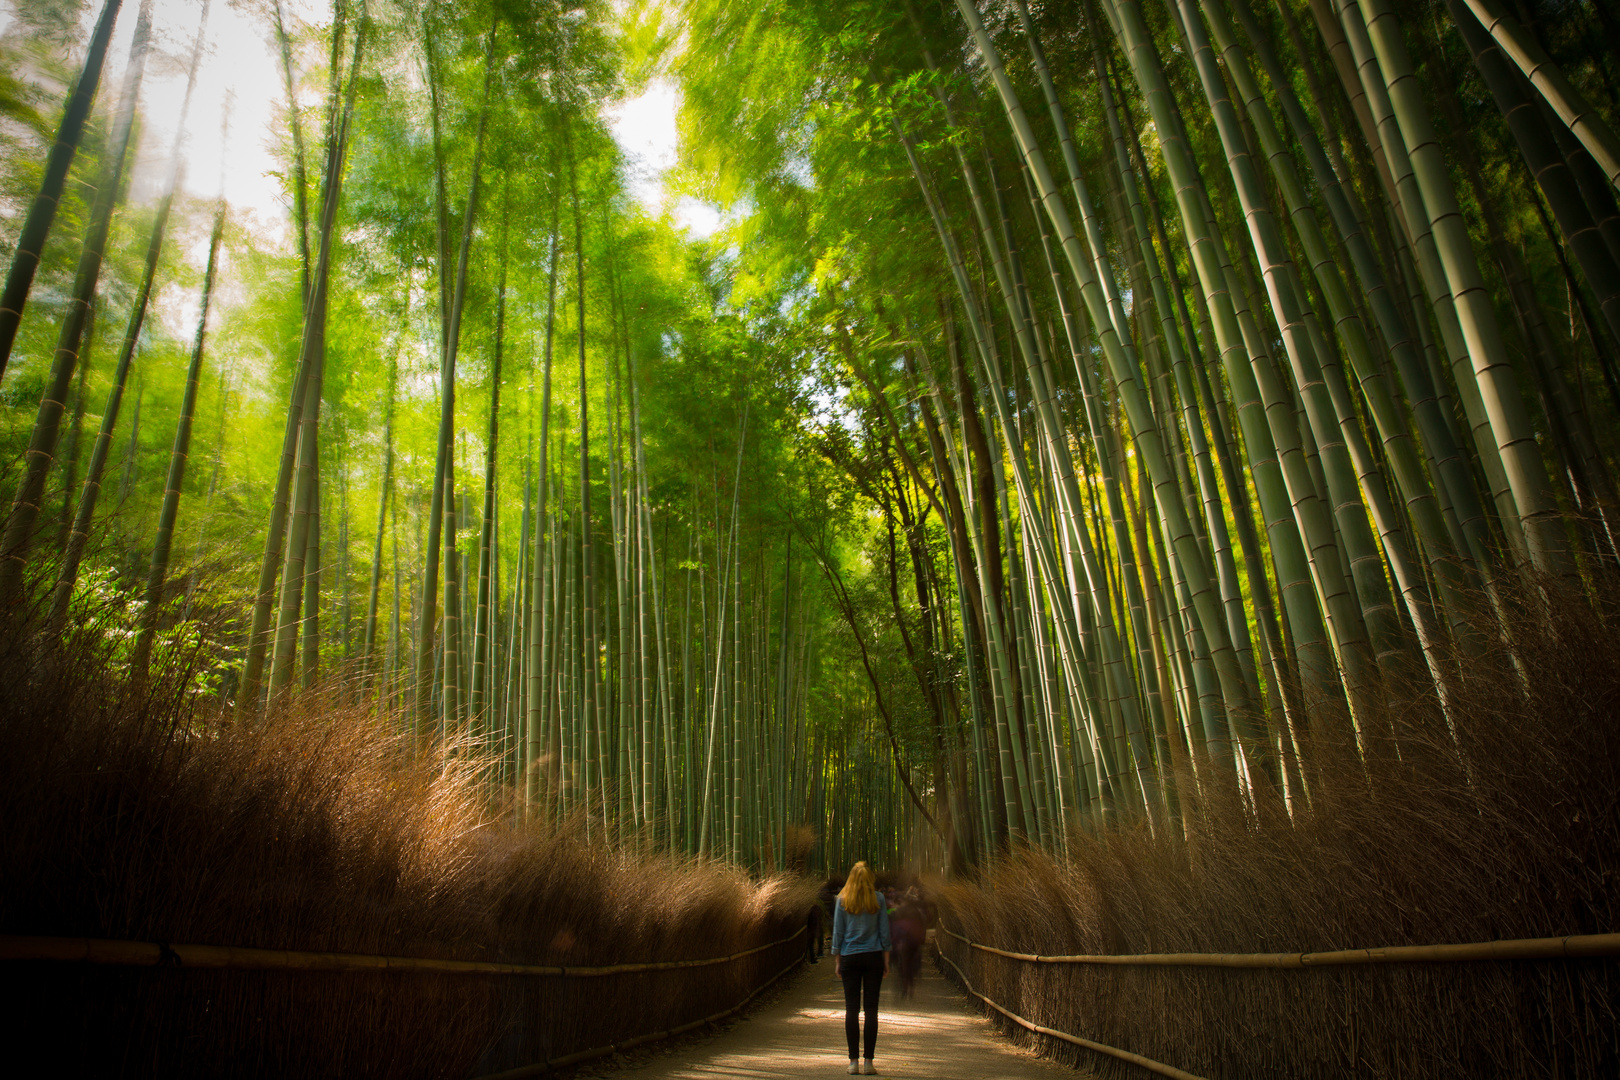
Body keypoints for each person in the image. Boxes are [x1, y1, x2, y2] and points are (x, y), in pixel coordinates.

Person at [831, 861, 890, 1075]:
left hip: (849, 957)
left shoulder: (842, 900)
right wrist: (886, 959)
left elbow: (838, 931)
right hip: (873, 957)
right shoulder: (879, 899)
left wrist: (837, 959)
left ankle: (853, 1062)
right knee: (871, 1010)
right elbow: (884, 931)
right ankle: (869, 1063)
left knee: (852, 1009)